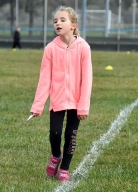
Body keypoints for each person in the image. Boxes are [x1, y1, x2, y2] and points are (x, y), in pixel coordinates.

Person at [30, 6, 92, 181]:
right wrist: (38, 105)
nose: (58, 23)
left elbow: (87, 79)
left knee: (70, 135)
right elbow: (44, 79)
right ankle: (56, 155)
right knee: (55, 133)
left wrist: (83, 106)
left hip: (76, 102)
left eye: (62, 20)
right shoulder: (50, 48)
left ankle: (64, 168)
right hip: (57, 100)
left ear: (73, 25)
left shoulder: (83, 47)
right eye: (55, 21)